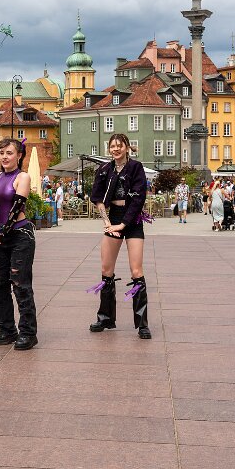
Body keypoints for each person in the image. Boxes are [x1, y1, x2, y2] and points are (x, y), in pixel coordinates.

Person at [88, 133, 151, 339]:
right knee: (106, 269)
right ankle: (105, 317)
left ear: (126, 147)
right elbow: (97, 197)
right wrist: (107, 223)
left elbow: (138, 198)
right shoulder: (104, 170)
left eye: (119, 146)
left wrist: (123, 224)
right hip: (112, 216)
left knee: (136, 269)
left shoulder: (136, 167)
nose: (116, 149)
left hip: (132, 220)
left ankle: (142, 323)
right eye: (112, 146)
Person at [0, 138, 38, 350]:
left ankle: (28, 332)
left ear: (19, 155)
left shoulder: (23, 177)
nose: (4, 157)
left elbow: (17, 207)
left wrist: (1, 232)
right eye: (2, 153)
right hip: (0, 236)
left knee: (20, 283)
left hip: (20, 235)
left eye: (9, 153)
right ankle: (6, 329)